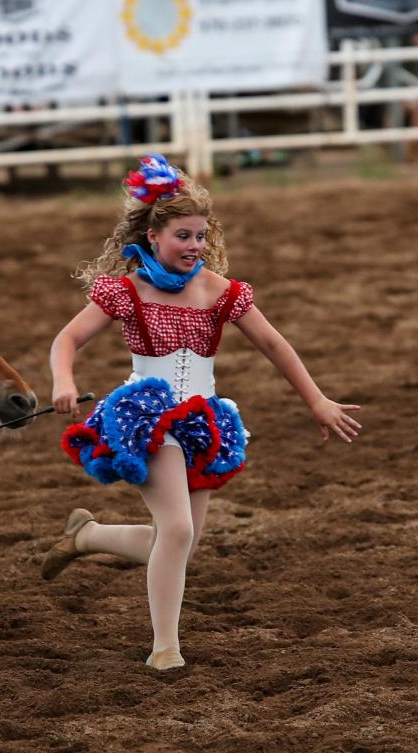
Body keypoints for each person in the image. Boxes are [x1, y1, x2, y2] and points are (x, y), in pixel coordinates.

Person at [44, 154, 362, 670]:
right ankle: (164, 649)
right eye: (182, 236)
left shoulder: (220, 291)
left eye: (200, 236)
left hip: (201, 422)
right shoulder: (128, 290)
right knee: (177, 532)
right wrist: (64, 380)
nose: (194, 246)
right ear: (153, 237)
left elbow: (274, 345)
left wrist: (317, 400)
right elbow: (68, 338)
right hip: (147, 417)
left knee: (180, 543)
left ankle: (88, 536)